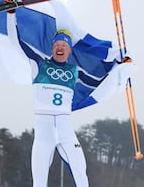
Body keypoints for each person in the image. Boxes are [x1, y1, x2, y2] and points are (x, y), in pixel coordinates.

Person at [24, 29, 133, 187]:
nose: (60, 48)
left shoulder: (74, 71)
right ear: (52, 48)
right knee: (39, 182)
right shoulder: (39, 64)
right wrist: (11, 15)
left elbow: (99, 81)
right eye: (57, 44)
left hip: (65, 128)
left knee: (81, 175)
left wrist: (120, 66)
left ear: (69, 51)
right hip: (43, 130)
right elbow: (18, 42)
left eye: (64, 45)